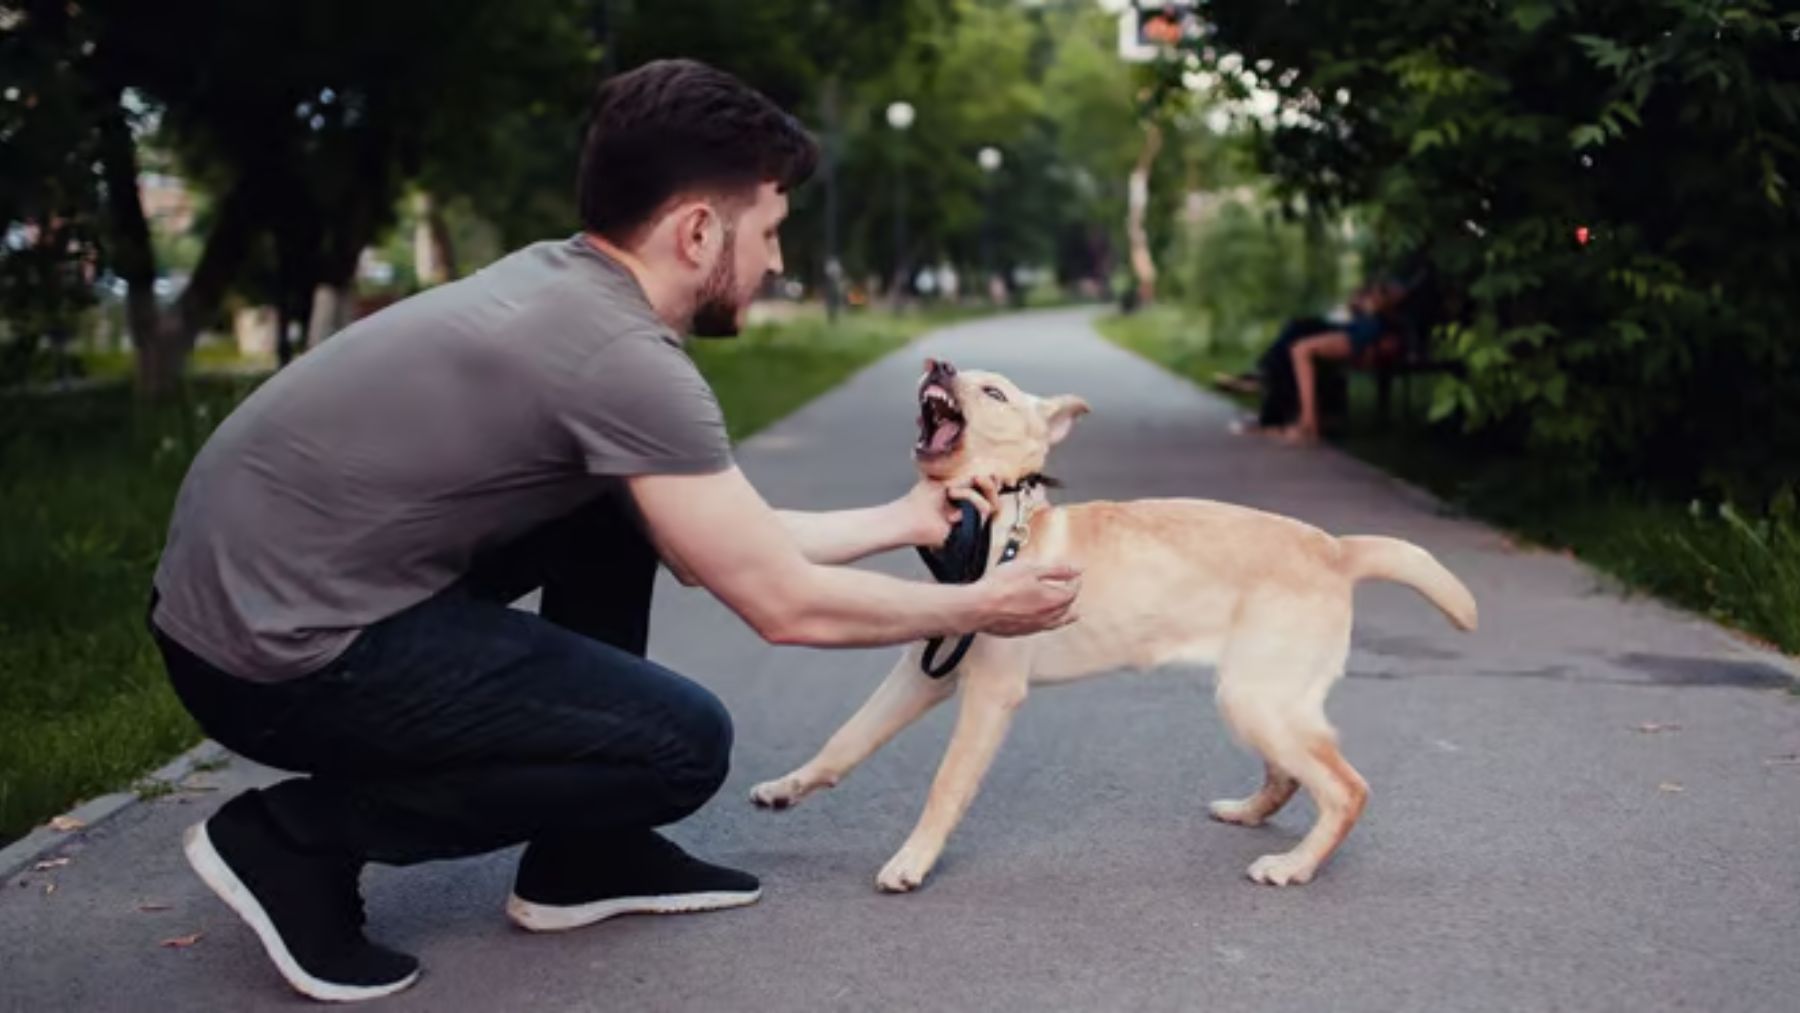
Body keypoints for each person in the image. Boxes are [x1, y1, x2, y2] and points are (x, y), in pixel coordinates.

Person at [147, 59, 1081, 1003]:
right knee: (679, 743)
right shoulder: (622, 360)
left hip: (252, 609)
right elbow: (780, 604)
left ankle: (585, 858)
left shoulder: (566, 288)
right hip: (279, 660)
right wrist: (979, 604)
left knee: (613, 511)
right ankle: (296, 840)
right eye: (771, 232)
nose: (779, 263)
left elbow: (716, 540)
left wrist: (898, 519)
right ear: (699, 229)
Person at [1217, 280, 1405, 444]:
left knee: (1300, 348)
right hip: (1356, 326)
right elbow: (1360, 304)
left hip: (1368, 333)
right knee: (1296, 328)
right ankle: (1270, 404)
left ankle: (1303, 423)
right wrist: (1359, 302)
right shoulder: (1390, 278)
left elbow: (1394, 304)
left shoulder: (1409, 282)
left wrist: (1378, 303)